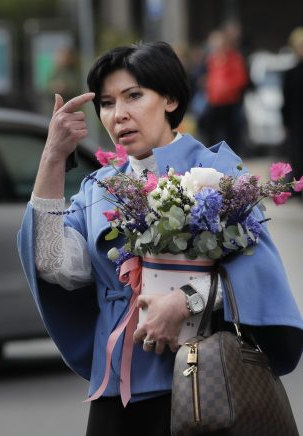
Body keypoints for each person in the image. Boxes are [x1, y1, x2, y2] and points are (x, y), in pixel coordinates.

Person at [18, 42, 303, 435]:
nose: (119, 115)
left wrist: (184, 300)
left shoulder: (215, 170)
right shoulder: (100, 186)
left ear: (170, 99)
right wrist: (52, 157)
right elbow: (57, 266)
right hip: (115, 386)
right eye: (106, 102)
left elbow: (256, 273)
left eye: (133, 96)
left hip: (203, 380)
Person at [198, 29, 249, 154]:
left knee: (231, 132)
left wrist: (226, 86)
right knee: (209, 129)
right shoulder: (211, 60)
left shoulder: (234, 58)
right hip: (214, 101)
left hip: (230, 102)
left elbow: (241, 79)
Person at [282, 26, 303, 193]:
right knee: (296, 156)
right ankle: (297, 188)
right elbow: (286, 101)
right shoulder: (291, 72)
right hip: (296, 122)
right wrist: (285, 122)